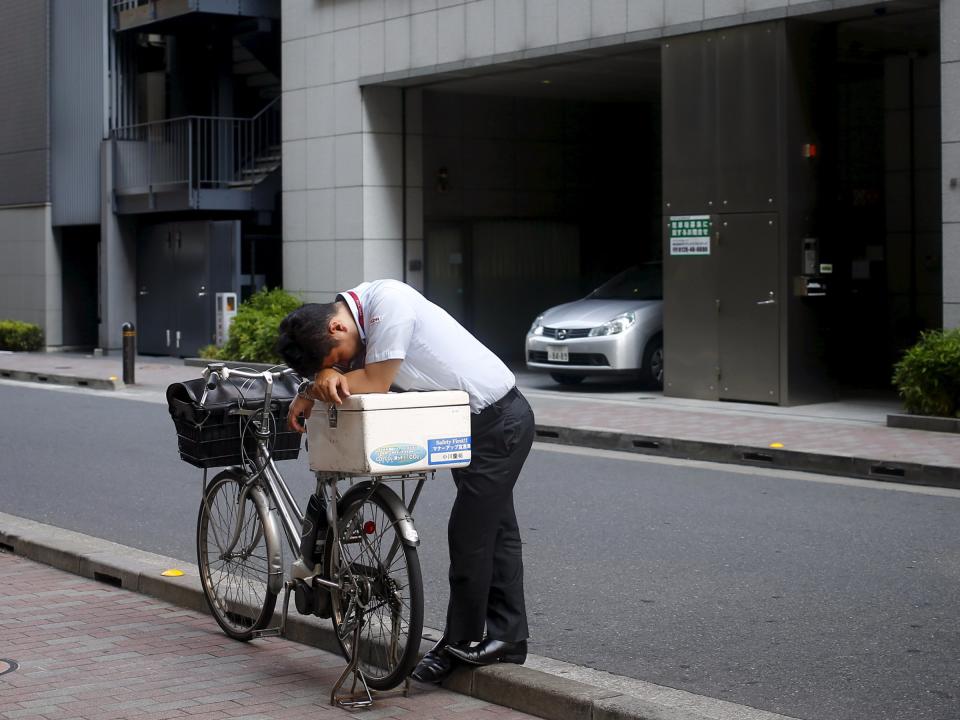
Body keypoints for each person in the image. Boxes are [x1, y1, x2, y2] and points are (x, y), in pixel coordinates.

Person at [277, 279, 535, 683]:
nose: (343, 365)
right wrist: (322, 372)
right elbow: (348, 369)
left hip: (499, 422)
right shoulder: (357, 314)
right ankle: (508, 639)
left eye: (338, 357)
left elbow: (376, 382)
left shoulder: (388, 305)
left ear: (336, 329)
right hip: (469, 423)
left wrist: (313, 388)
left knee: (470, 535)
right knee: (496, 531)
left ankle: (460, 645)